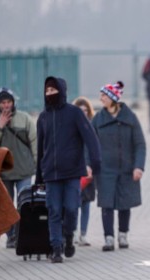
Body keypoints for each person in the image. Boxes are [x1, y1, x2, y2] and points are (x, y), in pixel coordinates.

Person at [35, 76, 102, 263]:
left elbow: (90, 138)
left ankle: (69, 236)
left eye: (53, 90)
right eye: (47, 91)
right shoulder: (43, 117)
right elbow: (40, 148)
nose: (50, 94)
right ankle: (56, 248)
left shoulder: (75, 113)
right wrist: (38, 178)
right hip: (51, 173)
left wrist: (95, 162)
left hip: (73, 172)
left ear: (62, 91)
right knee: (54, 210)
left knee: (72, 209)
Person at [92, 81, 146, 252]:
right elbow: (90, 145)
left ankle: (123, 235)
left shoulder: (130, 118)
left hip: (127, 169)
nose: (101, 99)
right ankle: (108, 238)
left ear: (113, 98)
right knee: (106, 203)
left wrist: (139, 167)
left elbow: (140, 144)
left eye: (104, 96)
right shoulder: (98, 119)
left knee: (125, 203)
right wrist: (89, 165)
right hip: (105, 170)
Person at [0, 87, 37, 249]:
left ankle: (24, 234)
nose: (6, 106)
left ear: (13, 103)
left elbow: (35, 143)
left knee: (25, 204)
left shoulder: (25, 119)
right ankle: (11, 236)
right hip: (2, 172)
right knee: (6, 206)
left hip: (24, 169)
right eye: (2, 103)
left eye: (8, 102)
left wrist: (37, 165)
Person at [71, 96, 97, 246]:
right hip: (75, 171)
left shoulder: (92, 127)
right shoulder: (71, 128)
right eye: (81, 111)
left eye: (86, 110)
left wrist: (92, 166)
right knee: (74, 203)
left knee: (86, 203)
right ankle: (73, 233)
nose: (84, 113)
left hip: (89, 172)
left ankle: (83, 234)